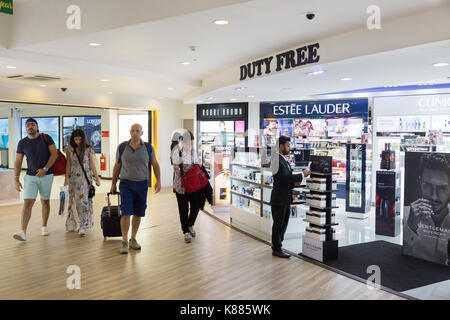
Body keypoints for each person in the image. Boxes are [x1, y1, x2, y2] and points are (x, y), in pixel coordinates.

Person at [110, 124, 161, 254]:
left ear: (141, 133)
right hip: (126, 184)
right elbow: (117, 166)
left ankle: (133, 239)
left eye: (137, 131)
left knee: (138, 213)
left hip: (142, 184)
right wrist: (113, 183)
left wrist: (158, 180)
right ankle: (124, 241)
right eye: (132, 131)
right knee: (126, 213)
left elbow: (155, 164)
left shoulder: (148, 148)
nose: (134, 133)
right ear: (130, 132)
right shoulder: (122, 147)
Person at [13, 118, 58, 241]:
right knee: (28, 203)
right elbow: (18, 161)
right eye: (27, 125)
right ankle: (23, 231)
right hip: (30, 177)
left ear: (37, 127)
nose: (30, 127)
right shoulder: (22, 143)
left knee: (45, 201)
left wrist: (45, 169)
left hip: (46, 176)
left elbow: (54, 154)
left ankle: (44, 226)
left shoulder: (46, 138)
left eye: (32, 124)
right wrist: (16, 179)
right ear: (25, 128)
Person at [403, 153, 450, 265]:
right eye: (427, 185)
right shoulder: (405, 214)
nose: (434, 196)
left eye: (442, 188)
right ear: (420, 182)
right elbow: (401, 257)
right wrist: (410, 227)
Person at [270, 136, 310, 258]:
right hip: (279, 198)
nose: (289, 148)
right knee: (278, 224)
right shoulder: (276, 160)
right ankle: (276, 248)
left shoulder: (283, 159)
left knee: (283, 222)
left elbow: (286, 179)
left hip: (285, 197)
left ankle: (278, 246)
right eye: (287, 145)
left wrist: (294, 183)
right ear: (281, 146)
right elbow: (283, 178)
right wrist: (301, 175)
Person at [64, 129, 101, 236]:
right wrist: (66, 178)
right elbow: (68, 164)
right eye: (76, 139)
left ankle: (83, 225)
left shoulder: (88, 149)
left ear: (83, 139)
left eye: (80, 139)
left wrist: (97, 178)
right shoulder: (69, 149)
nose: (78, 141)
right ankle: (72, 223)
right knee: (72, 201)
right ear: (72, 139)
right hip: (73, 179)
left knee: (83, 201)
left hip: (85, 180)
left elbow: (92, 164)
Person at [171, 130, 201, 243]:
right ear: (181, 142)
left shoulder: (193, 152)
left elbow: (196, 164)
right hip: (181, 186)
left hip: (193, 185)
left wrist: (195, 169)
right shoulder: (176, 152)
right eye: (187, 143)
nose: (189, 146)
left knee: (196, 206)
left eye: (191, 143)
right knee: (183, 209)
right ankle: (186, 232)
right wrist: (191, 170)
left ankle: (190, 224)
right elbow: (177, 169)